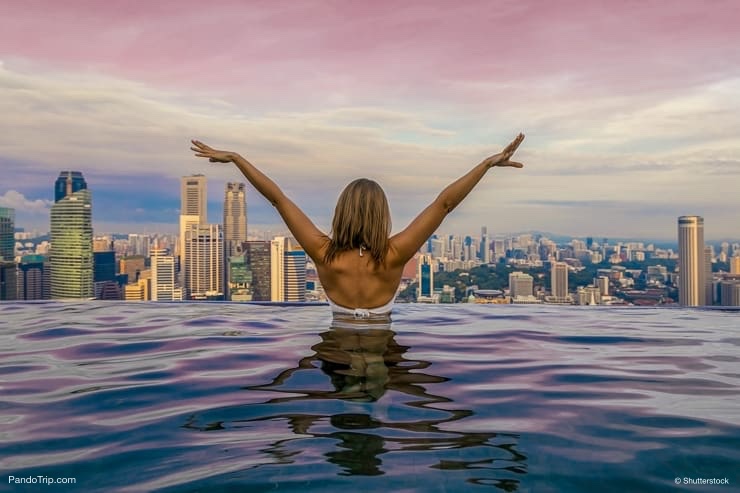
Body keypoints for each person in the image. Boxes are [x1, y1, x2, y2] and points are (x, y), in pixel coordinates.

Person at [191, 133, 524, 319]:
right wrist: (486, 164)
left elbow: (277, 198)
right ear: (382, 215)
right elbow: (444, 204)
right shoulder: (393, 255)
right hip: (384, 350)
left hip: (336, 349)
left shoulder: (325, 255)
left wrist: (237, 158)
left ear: (342, 212)